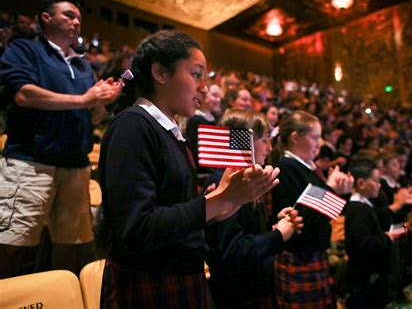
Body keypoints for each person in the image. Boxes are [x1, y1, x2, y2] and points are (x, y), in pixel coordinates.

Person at [98, 30, 280, 308]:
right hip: (150, 280)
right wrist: (219, 200)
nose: (205, 88)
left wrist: (223, 204)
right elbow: (138, 227)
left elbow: (176, 211)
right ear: (160, 73)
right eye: (196, 75)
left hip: (179, 276)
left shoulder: (169, 133)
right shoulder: (132, 126)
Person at [0, 0, 121, 278]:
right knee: (13, 245)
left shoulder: (83, 66)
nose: (76, 22)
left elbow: (94, 117)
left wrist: (101, 101)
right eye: (68, 15)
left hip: (75, 166)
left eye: (78, 18)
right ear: (46, 18)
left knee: (73, 249)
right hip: (31, 162)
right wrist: (85, 99)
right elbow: (24, 95)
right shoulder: (25, 49)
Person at [205, 109, 303, 308]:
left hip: (256, 289)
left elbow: (249, 230)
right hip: (238, 296)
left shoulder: (246, 179)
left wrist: (275, 224)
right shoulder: (223, 185)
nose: (269, 147)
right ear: (242, 142)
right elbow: (233, 253)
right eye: (264, 139)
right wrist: (278, 236)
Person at [271, 110, 353, 308]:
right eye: (315, 137)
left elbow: (323, 214)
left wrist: (340, 192)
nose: (320, 142)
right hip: (300, 255)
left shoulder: (307, 167)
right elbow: (301, 217)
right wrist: (331, 189)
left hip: (313, 254)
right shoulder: (288, 166)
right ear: (295, 137)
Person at [345, 157, 398, 308]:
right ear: (361, 183)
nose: (379, 185)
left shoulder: (364, 205)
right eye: (375, 180)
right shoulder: (358, 209)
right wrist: (387, 238)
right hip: (365, 279)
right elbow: (365, 244)